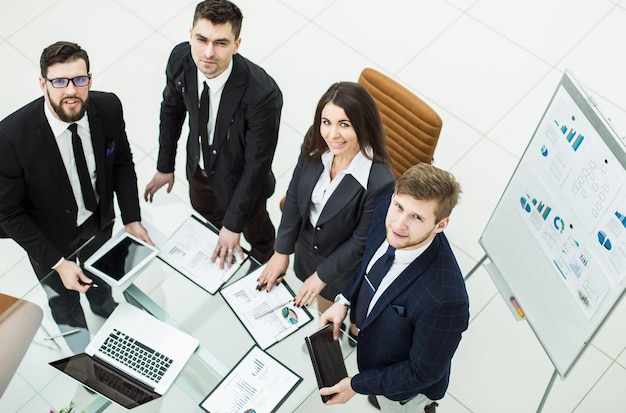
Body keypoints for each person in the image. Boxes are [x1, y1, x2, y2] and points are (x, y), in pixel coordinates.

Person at [0, 41, 153, 350]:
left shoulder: (108, 108)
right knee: (64, 302)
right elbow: (7, 213)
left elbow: (121, 162)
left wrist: (132, 219)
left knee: (101, 279)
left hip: (99, 222)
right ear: (43, 83)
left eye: (79, 79)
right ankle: (82, 357)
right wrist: (58, 263)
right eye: (59, 81)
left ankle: (103, 307)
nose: (70, 90)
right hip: (49, 240)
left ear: (90, 79)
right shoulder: (11, 137)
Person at [319, 163, 470, 412]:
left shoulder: (446, 300)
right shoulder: (385, 209)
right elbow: (369, 262)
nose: (399, 224)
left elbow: (421, 372)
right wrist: (344, 299)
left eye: (417, 217)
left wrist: (358, 385)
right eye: (399, 206)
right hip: (376, 352)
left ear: (440, 225)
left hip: (405, 394)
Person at [144, 0, 282, 267]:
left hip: (243, 182)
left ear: (236, 45)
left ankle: (263, 268)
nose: (208, 52)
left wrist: (233, 225)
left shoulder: (263, 94)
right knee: (205, 212)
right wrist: (165, 166)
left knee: (259, 237)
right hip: (200, 169)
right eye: (201, 39)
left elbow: (257, 165)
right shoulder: (181, 59)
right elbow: (171, 111)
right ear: (190, 35)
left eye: (220, 43)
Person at [256, 82, 395, 340]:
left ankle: (354, 327)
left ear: (363, 125)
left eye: (344, 124)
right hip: (309, 247)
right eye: (326, 122)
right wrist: (282, 250)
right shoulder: (315, 142)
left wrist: (322, 276)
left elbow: (361, 243)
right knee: (324, 311)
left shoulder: (379, 181)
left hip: (345, 264)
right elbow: (296, 197)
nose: (332, 134)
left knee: (340, 311)